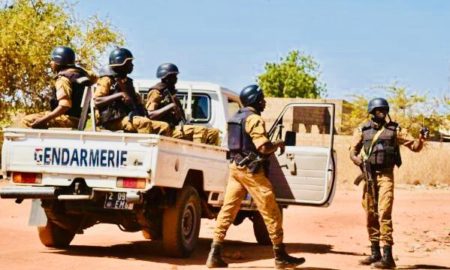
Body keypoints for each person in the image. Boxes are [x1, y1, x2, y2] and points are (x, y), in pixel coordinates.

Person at [205, 84, 305, 269]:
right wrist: (278, 144)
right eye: (262, 98)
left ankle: (214, 253)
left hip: (235, 169)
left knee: (228, 210)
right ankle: (280, 255)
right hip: (251, 171)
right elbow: (263, 147)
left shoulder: (235, 118)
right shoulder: (254, 119)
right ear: (255, 100)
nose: (264, 101)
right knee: (271, 210)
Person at [350, 97, 427, 269]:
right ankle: (374, 252)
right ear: (372, 112)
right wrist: (359, 162)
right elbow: (352, 152)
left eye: (384, 110)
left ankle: (388, 256)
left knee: (384, 212)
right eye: (378, 111)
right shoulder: (362, 129)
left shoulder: (394, 129)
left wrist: (421, 138)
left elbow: (414, 146)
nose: (382, 113)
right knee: (370, 213)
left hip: (386, 176)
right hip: (369, 177)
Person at [94, 48, 171, 135]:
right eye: (129, 63)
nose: (132, 66)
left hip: (128, 117)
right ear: (120, 63)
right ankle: (143, 148)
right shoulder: (107, 79)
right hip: (112, 121)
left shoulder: (127, 82)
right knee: (142, 123)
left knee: (164, 126)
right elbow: (96, 101)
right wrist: (120, 95)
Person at [20, 46, 95, 129]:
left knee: (27, 121)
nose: (51, 63)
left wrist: (42, 120)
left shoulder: (63, 80)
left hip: (67, 120)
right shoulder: (83, 74)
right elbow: (95, 77)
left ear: (59, 61)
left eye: (53, 60)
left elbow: (65, 106)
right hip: (80, 120)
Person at [145, 63, 220, 145]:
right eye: (174, 76)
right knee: (200, 131)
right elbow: (150, 115)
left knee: (213, 132)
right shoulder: (156, 92)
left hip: (176, 128)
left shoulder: (171, 94)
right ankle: (195, 156)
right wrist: (170, 107)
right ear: (166, 78)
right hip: (166, 130)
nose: (176, 79)